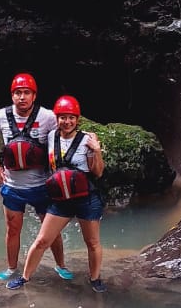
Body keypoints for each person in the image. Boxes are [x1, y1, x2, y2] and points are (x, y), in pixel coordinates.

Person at [7, 95, 107, 292]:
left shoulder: (87, 140)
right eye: (63, 117)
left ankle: (95, 279)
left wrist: (97, 151)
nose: (67, 121)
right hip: (60, 200)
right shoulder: (51, 136)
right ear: (57, 118)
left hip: (85, 198)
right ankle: (25, 277)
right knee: (42, 240)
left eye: (71, 117)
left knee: (92, 242)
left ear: (77, 119)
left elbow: (98, 172)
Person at [0, 73, 72, 282]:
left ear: (34, 95)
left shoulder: (47, 117)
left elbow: (65, 135)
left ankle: (61, 265)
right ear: (12, 96)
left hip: (42, 185)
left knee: (52, 230)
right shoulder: (1, 116)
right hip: (13, 187)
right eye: (18, 93)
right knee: (13, 230)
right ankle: (12, 268)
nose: (22, 97)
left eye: (26, 93)